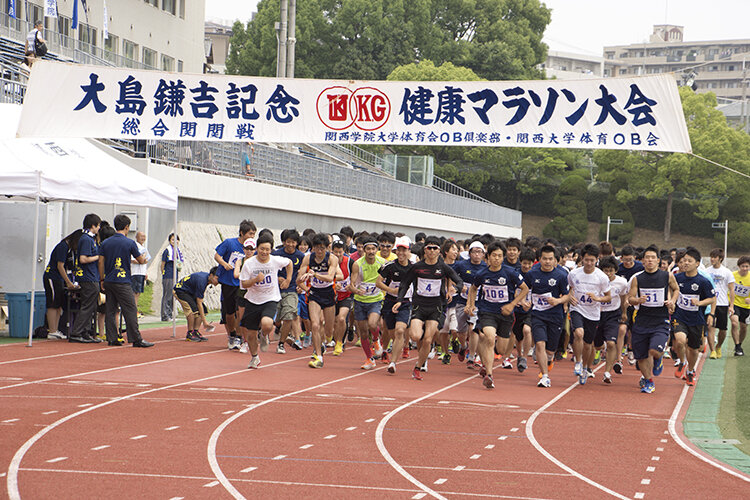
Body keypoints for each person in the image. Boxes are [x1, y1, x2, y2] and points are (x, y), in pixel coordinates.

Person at [393, 235, 463, 380]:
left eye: (434, 248)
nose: (431, 251)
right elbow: (404, 284)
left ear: (439, 251)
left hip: (436, 307)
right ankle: (423, 352)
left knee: (427, 339)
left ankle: (418, 366)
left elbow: (459, 281)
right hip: (419, 306)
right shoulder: (417, 268)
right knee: (415, 336)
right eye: (429, 248)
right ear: (425, 251)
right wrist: (399, 300)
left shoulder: (443, 268)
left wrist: (454, 290)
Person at [464, 241, 529, 389]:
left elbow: (524, 289)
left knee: (500, 349)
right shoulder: (482, 274)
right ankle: (489, 374)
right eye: (494, 256)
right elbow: (473, 289)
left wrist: (512, 304)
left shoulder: (510, 273)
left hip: (505, 314)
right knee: (489, 337)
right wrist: (471, 304)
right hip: (487, 312)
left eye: (500, 256)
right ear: (488, 257)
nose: (497, 259)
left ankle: (487, 357)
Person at [628, 245, 679, 394]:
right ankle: (648, 381)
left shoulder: (666, 276)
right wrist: (638, 300)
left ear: (658, 260)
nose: (650, 260)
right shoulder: (637, 278)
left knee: (654, 351)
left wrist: (672, 301)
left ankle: (658, 359)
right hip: (642, 320)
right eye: (647, 258)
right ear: (643, 261)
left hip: (660, 320)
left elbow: (676, 289)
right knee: (641, 356)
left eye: (652, 258)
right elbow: (630, 299)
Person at [98, 214, 152, 347]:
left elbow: (100, 261)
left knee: (110, 309)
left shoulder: (105, 243)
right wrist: (144, 259)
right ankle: (136, 339)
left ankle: (112, 338)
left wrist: (102, 279)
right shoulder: (129, 243)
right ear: (127, 227)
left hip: (109, 280)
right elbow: (140, 260)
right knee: (130, 309)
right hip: (123, 281)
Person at [240, 234, 293, 369]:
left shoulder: (275, 260)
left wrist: (288, 279)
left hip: (270, 298)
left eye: (267, 249)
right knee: (251, 334)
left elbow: (289, 263)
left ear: (271, 250)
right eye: (262, 249)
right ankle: (254, 357)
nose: (264, 252)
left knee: (267, 323)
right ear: (257, 248)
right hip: (252, 299)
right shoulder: (249, 263)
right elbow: (244, 284)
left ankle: (264, 334)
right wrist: (255, 280)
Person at [524, 245, 570, 388]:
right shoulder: (532, 274)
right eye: (545, 259)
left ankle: (549, 359)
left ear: (555, 260)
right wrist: (524, 301)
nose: (547, 262)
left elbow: (568, 295)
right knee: (540, 343)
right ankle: (545, 376)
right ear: (539, 259)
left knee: (550, 350)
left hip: (555, 315)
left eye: (550, 259)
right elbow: (524, 290)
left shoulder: (561, 276)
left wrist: (558, 301)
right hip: (538, 314)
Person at [568, 243, 611, 385]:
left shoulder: (602, 277)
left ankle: (586, 368)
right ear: (582, 258)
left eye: (592, 260)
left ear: (597, 260)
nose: (589, 263)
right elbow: (570, 288)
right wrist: (570, 296)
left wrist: (598, 298)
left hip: (593, 313)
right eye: (586, 260)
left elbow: (608, 296)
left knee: (588, 344)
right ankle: (578, 362)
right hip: (577, 308)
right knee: (578, 333)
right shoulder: (574, 273)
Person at [672, 248, 716, 386]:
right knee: (680, 341)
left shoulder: (703, 281)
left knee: (694, 349)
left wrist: (700, 303)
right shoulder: (677, 278)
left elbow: (712, 298)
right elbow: (669, 289)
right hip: (679, 316)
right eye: (684, 260)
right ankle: (682, 362)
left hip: (697, 319)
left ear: (697, 263)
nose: (685, 263)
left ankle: (690, 371)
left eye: (689, 261)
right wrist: (671, 301)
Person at [298, 233, 342, 368]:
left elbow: (330, 277)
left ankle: (326, 341)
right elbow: (298, 280)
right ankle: (318, 356)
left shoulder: (332, 259)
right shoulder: (307, 259)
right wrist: (305, 284)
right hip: (314, 294)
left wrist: (314, 274)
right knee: (315, 325)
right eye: (316, 248)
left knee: (329, 330)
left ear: (327, 248)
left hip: (328, 294)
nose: (319, 251)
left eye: (322, 248)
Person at [214, 220, 256, 350]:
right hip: (228, 282)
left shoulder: (253, 248)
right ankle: (232, 334)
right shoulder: (229, 243)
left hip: (242, 285)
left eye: (254, 234)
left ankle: (239, 336)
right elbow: (217, 255)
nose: (252, 236)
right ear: (242, 233)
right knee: (230, 312)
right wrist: (224, 264)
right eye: (250, 233)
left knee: (240, 312)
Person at [378, 236, 414, 373]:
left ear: (409, 251)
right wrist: (391, 290)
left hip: (406, 302)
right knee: (390, 331)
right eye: (398, 250)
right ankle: (397, 347)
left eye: (404, 250)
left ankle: (393, 362)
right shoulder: (390, 266)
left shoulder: (414, 268)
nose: (401, 253)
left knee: (400, 331)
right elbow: (378, 282)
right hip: (390, 301)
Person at [350, 238, 387, 370]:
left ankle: (376, 340)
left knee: (372, 324)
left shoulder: (382, 263)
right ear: (364, 250)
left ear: (377, 250)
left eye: (373, 249)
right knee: (364, 332)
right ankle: (369, 358)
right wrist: (355, 290)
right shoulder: (358, 264)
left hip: (375, 299)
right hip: (360, 301)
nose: (371, 251)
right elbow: (352, 284)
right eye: (368, 249)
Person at [453, 241, 488, 367]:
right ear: (470, 253)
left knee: (473, 328)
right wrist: (458, 285)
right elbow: (450, 275)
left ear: (483, 254)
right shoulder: (461, 265)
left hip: (478, 303)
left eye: (480, 252)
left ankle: (472, 357)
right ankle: (464, 346)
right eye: (474, 252)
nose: (477, 254)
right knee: (461, 331)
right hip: (462, 302)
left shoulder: (486, 267)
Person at [43, 230, 82, 339]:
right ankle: (52, 330)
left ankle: (55, 329)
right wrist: (69, 283)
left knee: (58, 304)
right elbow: (60, 266)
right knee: (52, 303)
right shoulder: (63, 246)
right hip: (51, 276)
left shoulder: (69, 249)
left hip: (58, 278)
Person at [70, 214, 103, 344]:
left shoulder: (90, 239)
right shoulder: (86, 239)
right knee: (87, 305)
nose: (99, 228)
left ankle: (85, 331)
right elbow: (83, 259)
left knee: (91, 305)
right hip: (88, 277)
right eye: (98, 225)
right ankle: (77, 332)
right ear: (93, 226)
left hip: (91, 276)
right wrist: (98, 257)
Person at [596, 256, 629, 383]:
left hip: (613, 314)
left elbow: (622, 298)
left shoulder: (621, 282)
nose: (608, 274)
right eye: (605, 270)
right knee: (596, 345)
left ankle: (607, 372)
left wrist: (624, 313)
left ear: (615, 270)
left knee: (611, 343)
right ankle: (598, 350)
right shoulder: (596, 281)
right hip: (597, 314)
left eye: (611, 270)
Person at [272, 229, 305, 353]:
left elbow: (303, 273)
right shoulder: (276, 255)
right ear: (283, 242)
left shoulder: (300, 257)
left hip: (292, 290)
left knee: (289, 316)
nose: (291, 245)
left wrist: (301, 285)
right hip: (275, 290)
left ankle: (281, 343)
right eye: (288, 242)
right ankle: (278, 327)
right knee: (275, 319)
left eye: (293, 242)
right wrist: (278, 278)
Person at [174, 267, 220, 341]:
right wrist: (205, 322)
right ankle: (190, 333)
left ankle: (195, 331)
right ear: (211, 275)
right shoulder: (202, 281)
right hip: (181, 290)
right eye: (217, 278)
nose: (218, 281)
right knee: (192, 311)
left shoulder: (207, 280)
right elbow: (199, 303)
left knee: (203, 311)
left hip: (190, 292)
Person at [705, 248, 735, 358]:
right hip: (709, 303)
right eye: (711, 256)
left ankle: (718, 346)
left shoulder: (727, 272)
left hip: (722, 303)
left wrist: (731, 305)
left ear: (720, 258)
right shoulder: (707, 271)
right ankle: (712, 350)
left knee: (723, 329)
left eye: (714, 257)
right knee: (710, 327)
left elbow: (731, 290)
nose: (712, 259)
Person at [331, 237, 353, 356]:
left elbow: (357, 276)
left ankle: (339, 342)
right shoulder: (329, 261)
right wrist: (334, 286)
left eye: (340, 252)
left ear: (344, 251)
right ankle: (335, 340)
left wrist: (352, 285)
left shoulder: (349, 262)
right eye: (336, 252)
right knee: (333, 321)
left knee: (341, 318)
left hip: (346, 295)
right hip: (332, 296)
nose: (338, 254)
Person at [730, 255, 750, 357]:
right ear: (739, 266)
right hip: (734, 304)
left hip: (746, 307)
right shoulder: (732, 276)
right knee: (734, 323)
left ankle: (739, 344)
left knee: (743, 327)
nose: (745, 268)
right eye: (743, 266)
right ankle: (737, 346)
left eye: (747, 266)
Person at [160, 233, 183, 322]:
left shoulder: (177, 251)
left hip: (175, 275)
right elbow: (163, 264)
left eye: (176, 239)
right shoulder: (167, 251)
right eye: (173, 239)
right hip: (168, 275)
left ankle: (170, 314)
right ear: (169, 241)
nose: (175, 241)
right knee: (167, 295)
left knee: (173, 295)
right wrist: (163, 273)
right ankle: (165, 315)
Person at [131, 231, 150, 318]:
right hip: (135, 272)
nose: (143, 238)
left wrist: (145, 272)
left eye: (144, 236)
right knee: (134, 293)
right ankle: (133, 312)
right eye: (141, 236)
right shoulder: (134, 246)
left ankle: (135, 311)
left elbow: (146, 260)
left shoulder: (143, 247)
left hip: (141, 273)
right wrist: (141, 262)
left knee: (138, 293)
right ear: (136, 237)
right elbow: (132, 259)